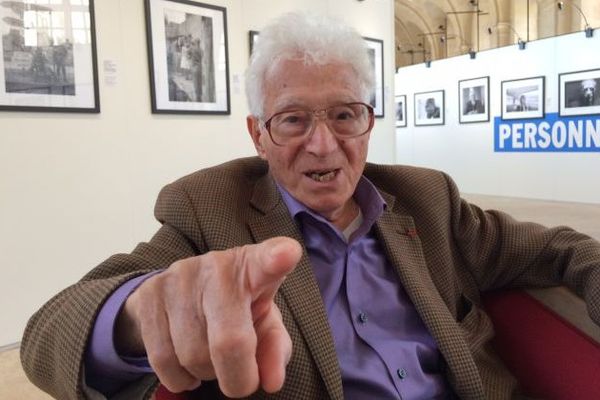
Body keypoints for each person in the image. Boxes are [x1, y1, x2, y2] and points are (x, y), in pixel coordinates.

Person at [21, 11, 600, 400]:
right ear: (257, 134)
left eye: (344, 114)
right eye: (293, 119)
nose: (323, 144)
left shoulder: (427, 199)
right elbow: (49, 332)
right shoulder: (208, 210)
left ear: (368, 121)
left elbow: (560, 250)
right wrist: (138, 311)